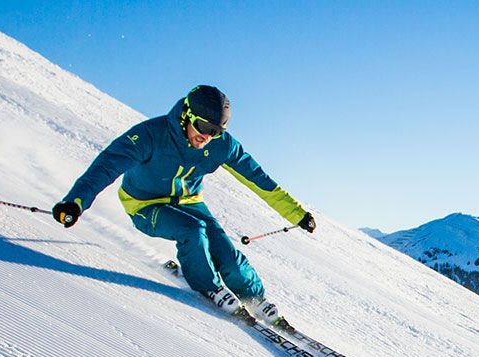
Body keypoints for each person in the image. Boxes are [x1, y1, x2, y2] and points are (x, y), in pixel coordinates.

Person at [52, 85, 315, 323]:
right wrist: (75, 202)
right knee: (192, 231)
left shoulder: (220, 145)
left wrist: (297, 214)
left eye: (217, 131)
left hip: (190, 201)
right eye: (203, 127)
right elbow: (107, 166)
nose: (207, 137)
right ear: (187, 115)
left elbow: (259, 180)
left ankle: (254, 298)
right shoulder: (150, 135)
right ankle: (209, 286)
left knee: (224, 251)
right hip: (145, 204)